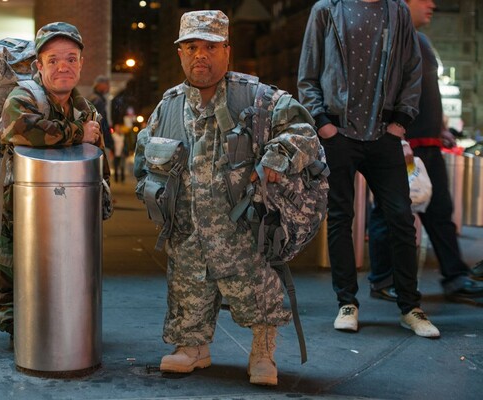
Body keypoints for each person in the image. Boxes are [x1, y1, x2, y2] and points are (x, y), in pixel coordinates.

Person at [134, 10, 320, 386]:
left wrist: (277, 156)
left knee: (257, 289)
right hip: (188, 232)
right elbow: (143, 160)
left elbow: (305, 132)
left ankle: (262, 352)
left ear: (227, 52)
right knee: (187, 288)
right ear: (180, 54)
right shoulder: (168, 106)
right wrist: (154, 196)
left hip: (243, 232)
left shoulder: (259, 98)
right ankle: (192, 347)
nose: (200, 54)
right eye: (191, 46)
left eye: (210, 46)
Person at [298, 0, 440, 337]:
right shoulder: (327, 9)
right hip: (339, 133)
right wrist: (322, 124)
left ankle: (410, 307)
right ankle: (347, 302)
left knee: (402, 219)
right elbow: (308, 73)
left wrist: (401, 121)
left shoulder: (397, 11)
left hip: (383, 135)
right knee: (340, 218)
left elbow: (412, 68)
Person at [0, 22, 103, 341]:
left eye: (71, 58)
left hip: (67, 215)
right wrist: (78, 134)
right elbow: (20, 129)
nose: (63, 66)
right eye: (53, 60)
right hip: (18, 214)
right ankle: (26, 339)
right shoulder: (25, 96)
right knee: (15, 293)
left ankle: (57, 333)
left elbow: (95, 155)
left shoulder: (84, 108)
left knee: (62, 283)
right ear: (39, 65)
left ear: (80, 63)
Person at [368, 0, 483, 303]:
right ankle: (382, 279)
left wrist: (441, 126)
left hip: (428, 144)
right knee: (389, 213)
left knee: (439, 211)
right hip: (404, 145)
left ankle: (455, 277)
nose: (432, 4)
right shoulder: (391, 41)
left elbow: (427, 93)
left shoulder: (420, 40)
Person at [89, 75, 115, 159]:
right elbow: (102, 123)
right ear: (100, 85)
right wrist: (110, 143)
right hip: (97, 141)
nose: (109, 87)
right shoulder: (98, 101)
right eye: (107, 84)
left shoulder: (92, 98)